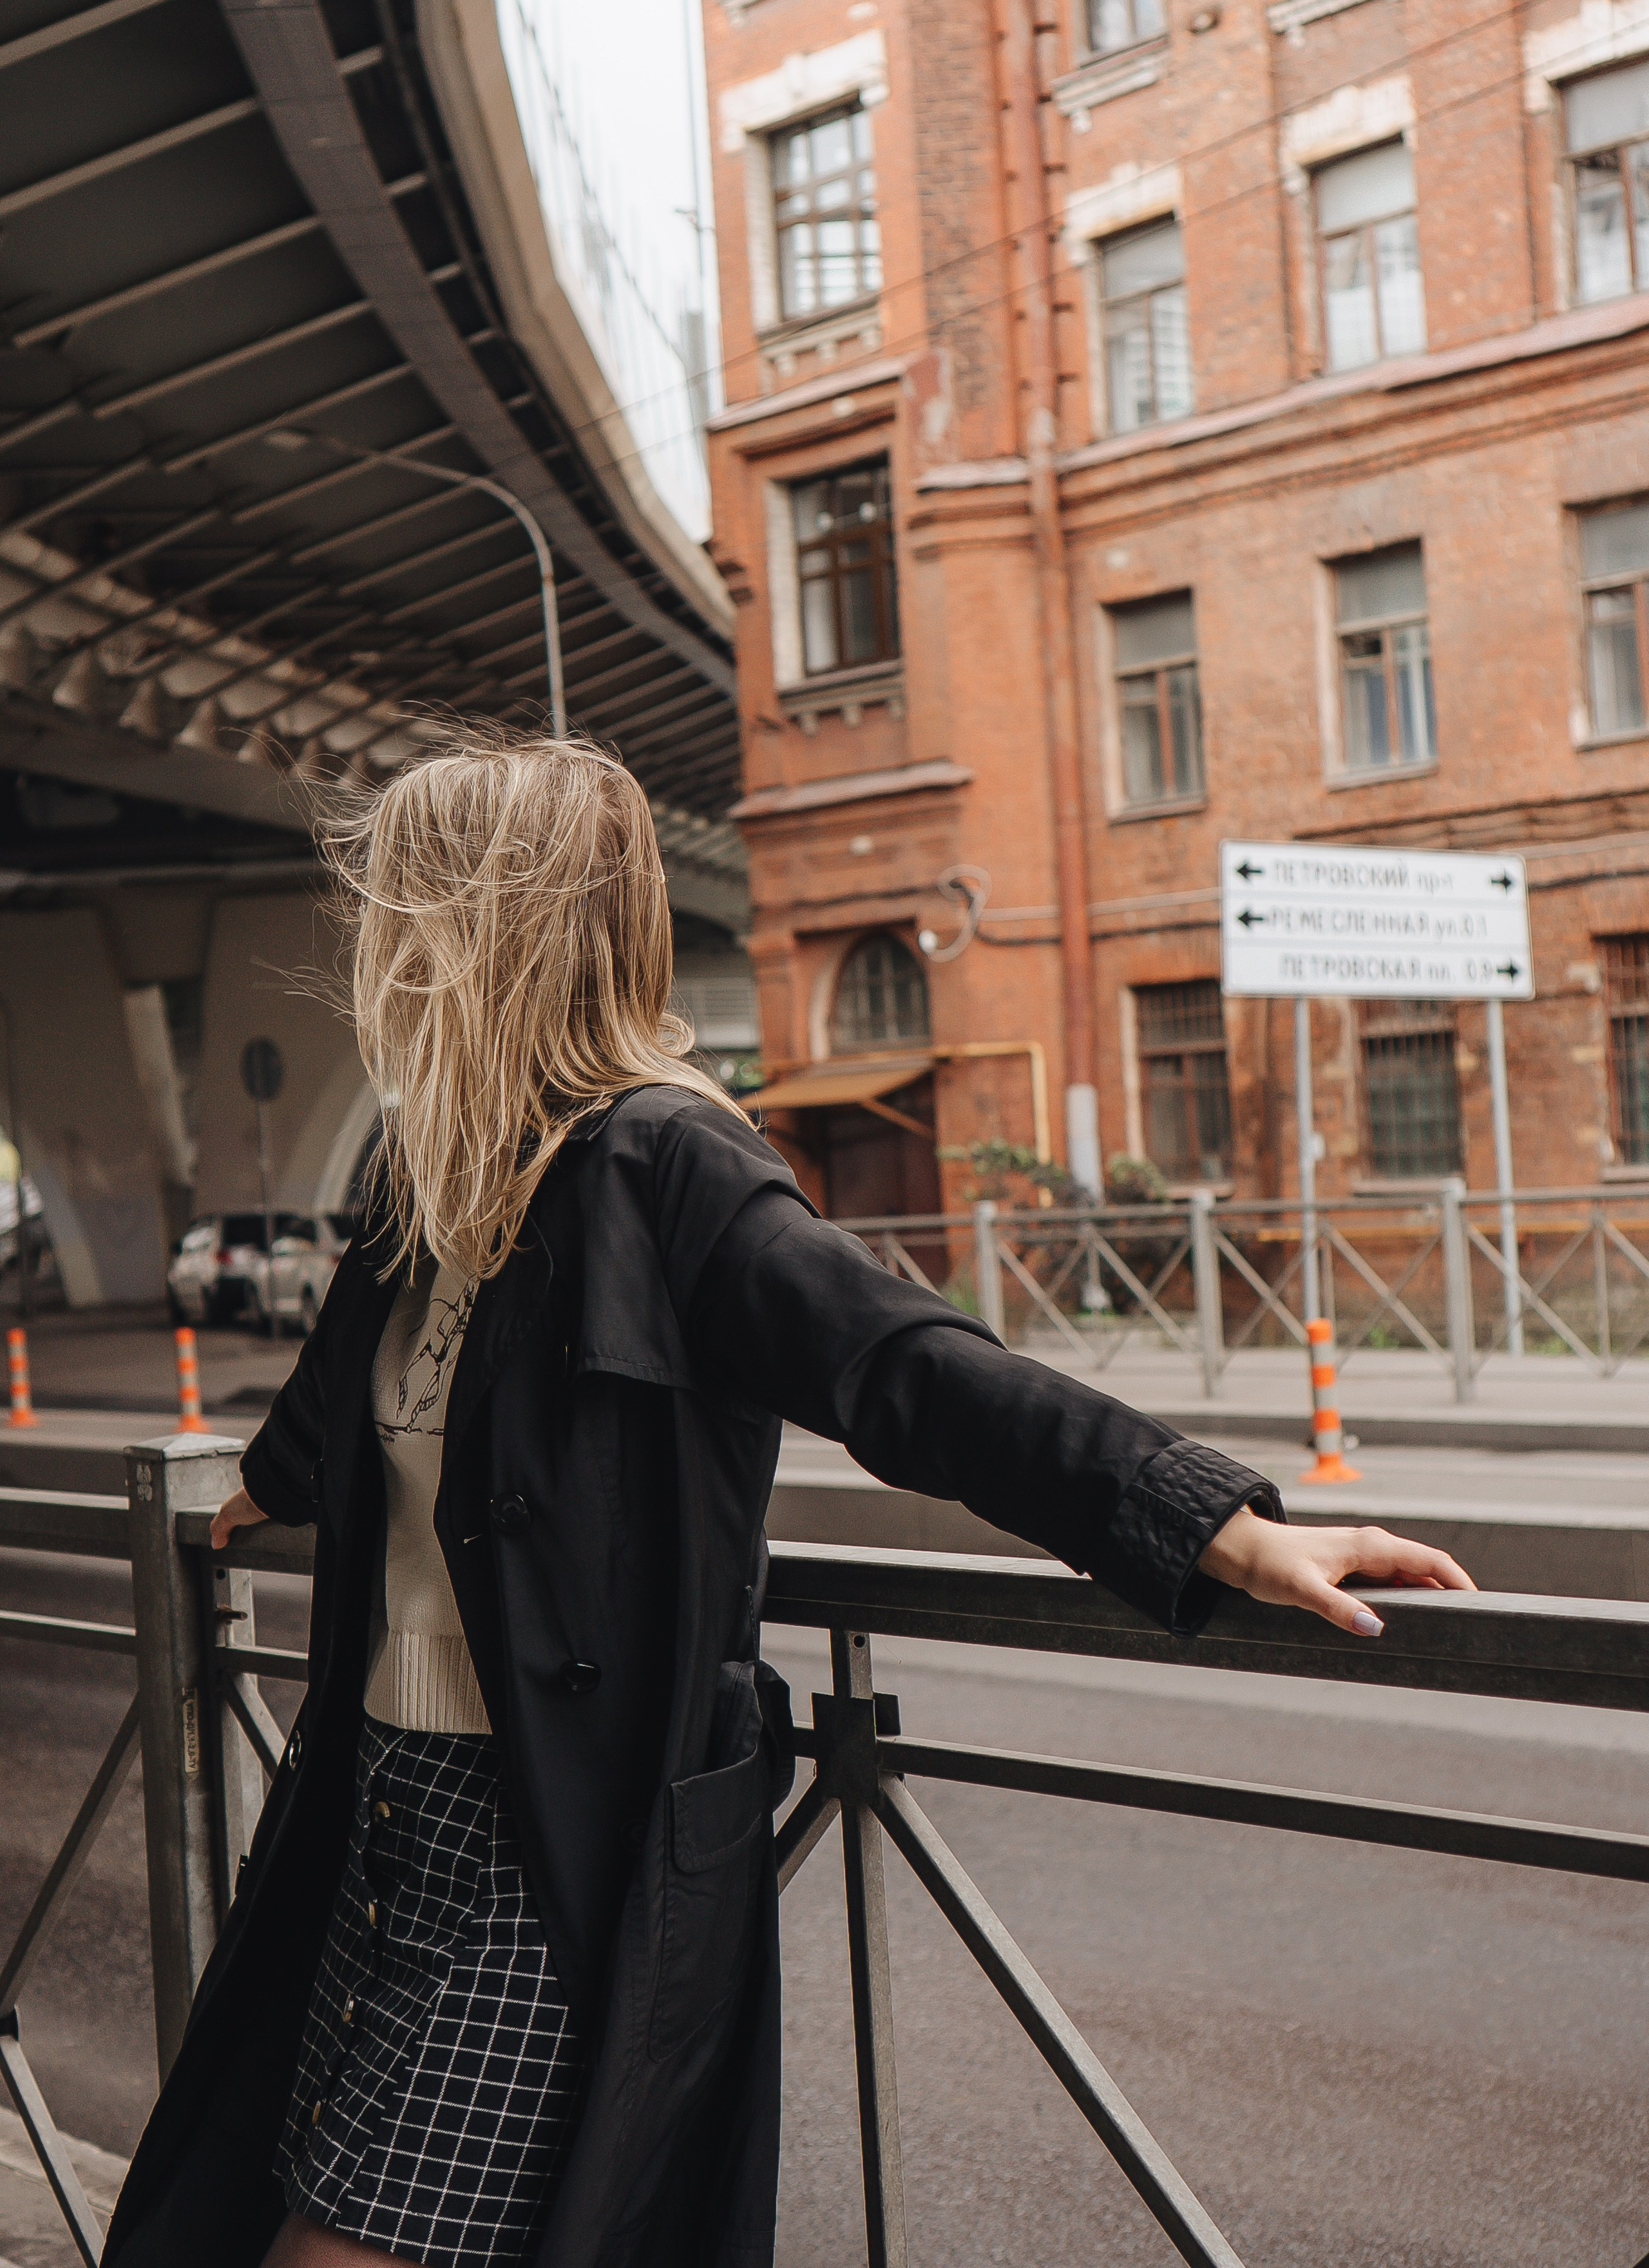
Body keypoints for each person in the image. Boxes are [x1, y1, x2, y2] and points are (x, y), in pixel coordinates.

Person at [103, 732, 1473, 2268]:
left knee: (338, 2252)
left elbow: (906, 1367)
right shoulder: (432, 1180)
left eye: (404, 906)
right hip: (378, 1801)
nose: (372, 945)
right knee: (310, 2204)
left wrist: (1207, 1521)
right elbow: (345, 1400)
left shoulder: (665, 1164)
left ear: (491, 932)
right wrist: (266, 1488)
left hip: (553, 1836)